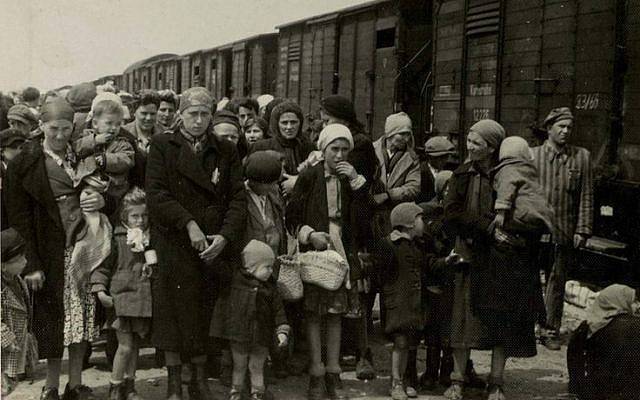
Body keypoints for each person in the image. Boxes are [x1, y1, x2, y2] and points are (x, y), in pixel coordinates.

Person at [6, 98, 111, 400]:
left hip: (84, 249)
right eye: (54, 128)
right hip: (50, 254)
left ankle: (75, 384)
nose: (61, 135)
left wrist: (103, 201)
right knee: (54, 324)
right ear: (41, 126)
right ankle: (51, 385)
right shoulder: (24, 163)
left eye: (66, 128)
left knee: (82, 321)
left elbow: (111, 194)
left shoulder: (83, 155)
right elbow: (18, 219)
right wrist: (31, 264)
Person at [146, 87, 246, 400]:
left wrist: (225, 236)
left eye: (205, 115)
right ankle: (175, 382)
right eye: (192, 114)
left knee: (204, 313)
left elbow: (238, 198)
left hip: (211, 247)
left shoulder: (225, 150)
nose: (198, 121)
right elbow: (157, 194)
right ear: (181, 115)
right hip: (175, 241)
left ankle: (199, 380)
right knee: (173, 315)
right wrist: (188, 224)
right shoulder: (163, 145)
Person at [443, 119, 542, 400]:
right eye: (470, 141)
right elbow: (451, 214)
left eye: (476, 142)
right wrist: (488, 229)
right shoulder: (462, 175)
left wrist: (509, 233)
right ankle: (457, 380)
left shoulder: (510, 175)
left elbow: (528, 212)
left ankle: (496, 382)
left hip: (502, 260)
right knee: (463, 322)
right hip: (471, 256)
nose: (470, 146)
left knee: (501, 322)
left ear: (491, 147)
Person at [287, 123, 369, 400]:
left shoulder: (351, 180)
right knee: (313, 313)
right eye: (334, 148)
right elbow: (292, 217)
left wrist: (358, 186)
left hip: (342, 249)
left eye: (345, 149)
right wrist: (309, 234)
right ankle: (316, 372)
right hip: (317, 251)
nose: (340, 155)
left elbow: (361, 222)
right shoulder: (310, 176)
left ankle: (333, 372)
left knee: (335, 313)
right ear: (323, 149)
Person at [318, 94, 377, 380]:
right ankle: (336, 352)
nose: (340, 154)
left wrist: (353, 178)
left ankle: (361, 353)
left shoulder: (360, 146)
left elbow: (361, 197)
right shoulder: (326, 157)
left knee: (355, 292)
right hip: (331, 229)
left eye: (327, 117)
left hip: (351, 228)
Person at [375, 203, 459, 400]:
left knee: (409, 343)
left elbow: (428, 263)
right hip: (398, 303)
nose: (424, 223)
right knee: (400, 343)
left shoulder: (418, 245)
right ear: (409, 223)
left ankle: (404, 380)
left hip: (413, 305)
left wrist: (446, 261)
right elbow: (381, 272)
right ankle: (396, 381)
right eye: (420, 219)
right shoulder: (390, 245)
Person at [532, 107, 594, 351]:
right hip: (535, 230)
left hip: (564, 232)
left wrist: (583, 229)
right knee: (531, 279)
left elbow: (586, 195)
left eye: (569, 127)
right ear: (549, 129)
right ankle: (528, 326)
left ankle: (549, 329)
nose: (566, 131)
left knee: (556, 281)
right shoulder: (533, 156)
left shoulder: (581, 158)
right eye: (561, 127)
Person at [91, 187, 152, 400]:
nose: (140, 220)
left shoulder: (149, 238)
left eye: (144, 215)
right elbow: (103, 266)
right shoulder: (117, 237)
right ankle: (115, 387)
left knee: (134, 346)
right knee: (124, 346)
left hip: (141, 298)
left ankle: (130, 385)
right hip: (121, 298)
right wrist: (99, 289)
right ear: (125, 216)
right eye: (135, 216)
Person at [211, 240, 290, 400]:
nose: (270, 271)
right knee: (238, 366)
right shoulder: (234, 281)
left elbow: (279, 311)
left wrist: (282, 330)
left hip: (261, 336)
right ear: (251, 266)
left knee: (257, 366)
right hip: (238, 335)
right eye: (266, 267)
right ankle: (236, 392)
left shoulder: (270, 288)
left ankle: (257, 393)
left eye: (271, 267)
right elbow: (217, 267)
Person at [566, 284, 640, 400]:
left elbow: (574, 361)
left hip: (595, 391)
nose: (636, 305)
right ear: (622, 301)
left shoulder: (586, 327)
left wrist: (580, 390)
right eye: (634, 300)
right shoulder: (634, 326)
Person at [74, 95, 136, 201]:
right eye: (109, 123)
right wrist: (94, 141)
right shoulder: (86, 136)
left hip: (112, 187)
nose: (113, 128)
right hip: (87, 182)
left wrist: (106, 160)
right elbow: (76, 149)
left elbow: (127, 159)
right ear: (95, 123)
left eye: (118, 124)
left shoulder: (122, 143)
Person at [492, 136, 554, 237]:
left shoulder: (509, 169)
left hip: (522, 213)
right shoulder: (527, 169)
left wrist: (501, 212)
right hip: (540, 213)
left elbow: (506, 189)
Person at [1, 228, 38, 397]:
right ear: (3, 265)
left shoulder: (18, 281)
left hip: (16, 348)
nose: (25, 262)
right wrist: (7, 340)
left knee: (9, 385)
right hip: (5, 348)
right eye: (18, 259)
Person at [251, 100, 315, 197]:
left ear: (300, 123)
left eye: (293, 122)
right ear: (277, 124)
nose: (289, 127)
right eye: (284, 123)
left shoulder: (308, 147)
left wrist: (297, 182)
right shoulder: (261, 147)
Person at [1, 128, 28, 230]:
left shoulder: (28, 170)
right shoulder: (2, 172)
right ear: (2, 151)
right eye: (13, 147)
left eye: (22, 147)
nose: (19, 151)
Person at [124, 89, 163, 155]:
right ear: (134, 112)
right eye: (144, 113)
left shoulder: (164, 135)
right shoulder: (124, 133)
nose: (148, 118)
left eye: (152, 114)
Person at [418, 136, 456, 203]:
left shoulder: (451, 170)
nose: (443, 161)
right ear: (429, 157)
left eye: (446, 157)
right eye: (439, 158)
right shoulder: (420, 172)